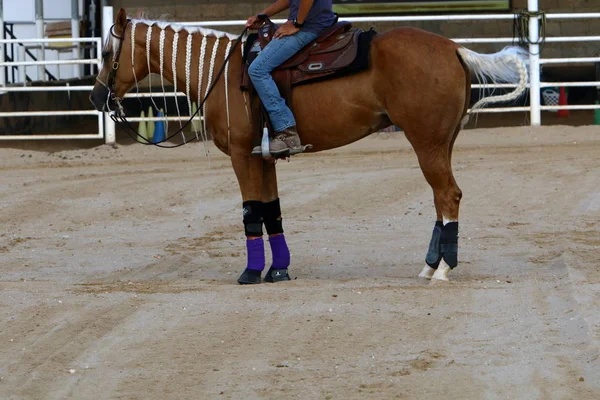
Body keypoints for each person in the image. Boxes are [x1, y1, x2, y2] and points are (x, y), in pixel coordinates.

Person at [247, 0, 337, 158]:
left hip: (310, 26)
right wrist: (263, 14)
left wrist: (297, 24)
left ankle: (287, 131)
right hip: (314, 22)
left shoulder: (302, 24)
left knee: (257, 69)